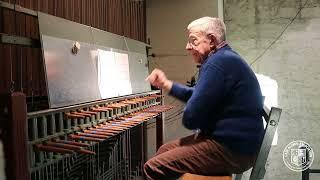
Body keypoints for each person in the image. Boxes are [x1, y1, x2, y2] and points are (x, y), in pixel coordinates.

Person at [144, 17, 264, 180]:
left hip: (232, 150)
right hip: (238, 146)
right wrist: (166, 84)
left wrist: (196, 108)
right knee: (163, 151)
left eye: (193, 41)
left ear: (212, 40)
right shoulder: (224, 58)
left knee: (153, 167)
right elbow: (197, 95)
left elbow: (191, 119)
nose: (187, 47)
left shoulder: (218, 63)